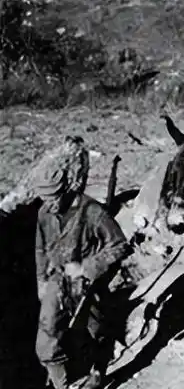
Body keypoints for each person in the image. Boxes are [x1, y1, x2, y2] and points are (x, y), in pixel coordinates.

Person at [34, 140, 131, 389]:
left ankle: (98, 374)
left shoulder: (92, 211)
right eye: (45, 198)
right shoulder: (44, 213)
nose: (50, 204)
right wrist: (41, 281)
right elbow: (41, 249)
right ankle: (62, 385)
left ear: (65, 188)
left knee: (97, 335)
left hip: (87, 285)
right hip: (57, 281)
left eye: (54, 197)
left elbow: (120, 245)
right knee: (45, 345)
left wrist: (86, 268)